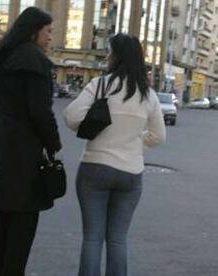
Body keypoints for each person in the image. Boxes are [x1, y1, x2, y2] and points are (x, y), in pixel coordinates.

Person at [63, 33, 166, 276]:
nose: (108, 56)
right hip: (130, 173)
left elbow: (71, 116)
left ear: (116, 56)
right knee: (118, 239)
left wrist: (94, 129)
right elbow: (159, 136)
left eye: (110, 52)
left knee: (92, 238)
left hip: (95, 167)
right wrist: (134, 145)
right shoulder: (147, 94)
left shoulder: (100, 85)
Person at [0, 7, 62, 276]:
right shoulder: (34, 60)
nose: (51, 36)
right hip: (27, 155)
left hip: (4, 147)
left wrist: (9, 126)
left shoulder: (2, 56)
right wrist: (54, 145)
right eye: (48, 31)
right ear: (34, 31)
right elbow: (41, 111)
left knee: (3, 221)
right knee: (23, 226)